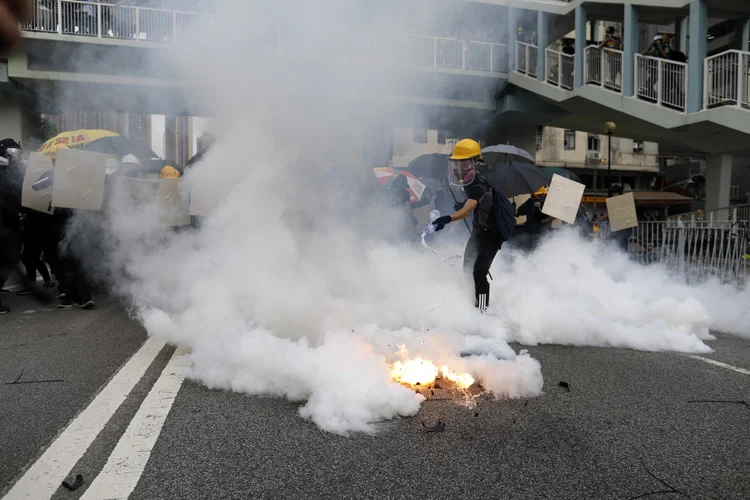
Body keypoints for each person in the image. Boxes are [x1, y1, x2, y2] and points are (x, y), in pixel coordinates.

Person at [431, 139, 504, 311]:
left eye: (464, 162)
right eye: (457, 163)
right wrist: (463, 204)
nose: (459, 168)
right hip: (479, 231)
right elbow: (475, 204)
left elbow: (467, 211)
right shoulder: (472, 181)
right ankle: (472, 304)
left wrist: (447, 219)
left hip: (491, 234)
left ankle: (483, 311)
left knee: (479, 273)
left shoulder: (478, 182)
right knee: (467, 268)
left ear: (475, 162)